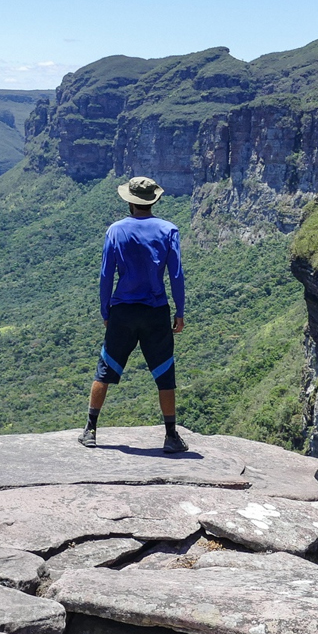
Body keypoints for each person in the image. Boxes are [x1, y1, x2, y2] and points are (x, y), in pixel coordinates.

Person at [80, 175, 187, 453]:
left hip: (123, 311)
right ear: (155, 200)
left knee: (105, 369)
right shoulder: (169, 230)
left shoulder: (116, 230)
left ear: (129, 201)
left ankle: (91, 431)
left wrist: (106, 311)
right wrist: (180, 311)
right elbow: (176, 275)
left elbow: (106, 275)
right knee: (164, 372)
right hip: (155, 312)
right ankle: (170, 436)